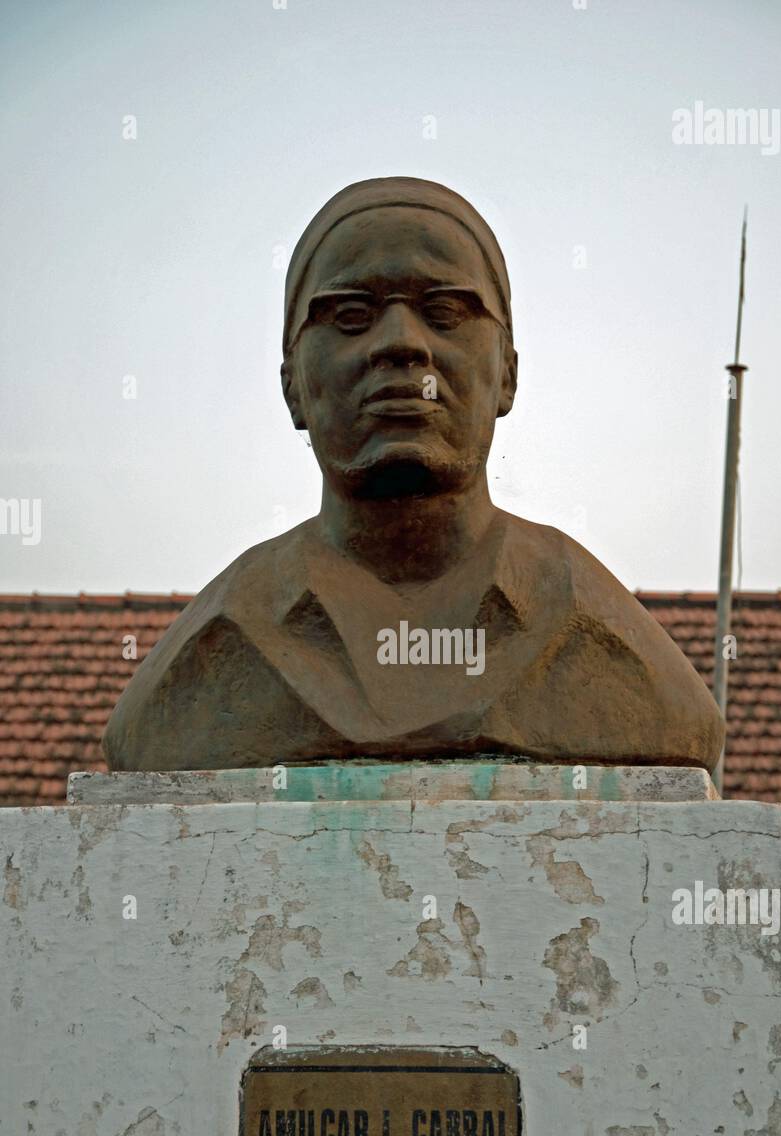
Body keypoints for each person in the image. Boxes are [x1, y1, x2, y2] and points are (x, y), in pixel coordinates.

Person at [103, 177, 723, 772]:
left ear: (507, 374)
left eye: (446, 310)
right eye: (349, 315)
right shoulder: (223, 634)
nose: (401, 343)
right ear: (291, 383)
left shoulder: (584, 615)